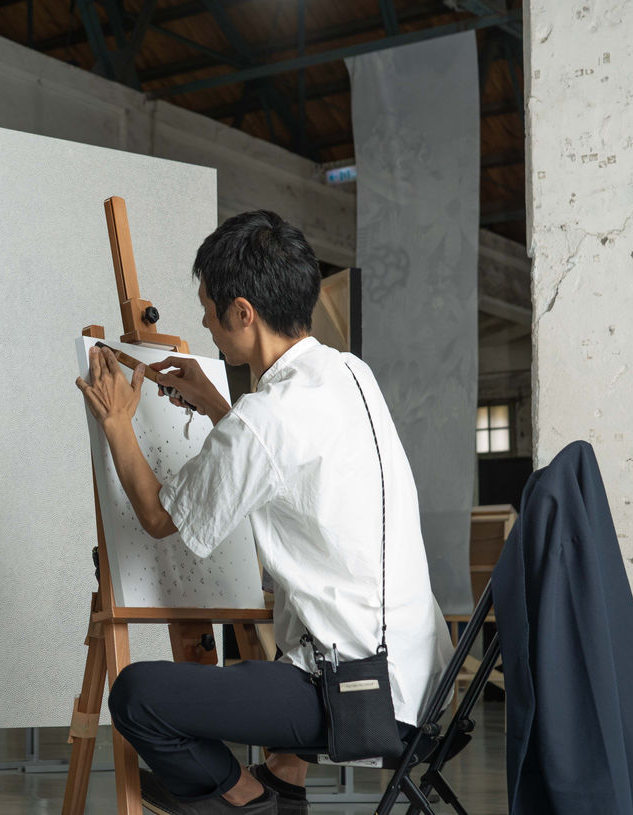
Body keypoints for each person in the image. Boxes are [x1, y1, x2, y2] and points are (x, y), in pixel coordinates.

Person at [75, 211, 452, 815]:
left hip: (360, 700)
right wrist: (218, 406)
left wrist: (118, 421)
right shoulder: (350, 372)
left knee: (137, 695)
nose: (205, 324)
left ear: (243, 312)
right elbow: (283, 460)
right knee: (292, 625)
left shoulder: (266, 417)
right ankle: (284, 783)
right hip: (425, 684)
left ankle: (247, 801)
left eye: (208, 309)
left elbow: (158, 516)